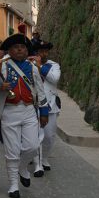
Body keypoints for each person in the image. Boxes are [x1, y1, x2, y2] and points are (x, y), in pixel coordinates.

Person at [0, 33, 49, 198]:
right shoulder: (2, 66)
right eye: (16, 47)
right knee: (12, 150)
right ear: (10, 50)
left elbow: (41, 93)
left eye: (23, 47)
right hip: (9, 111)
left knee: (32, 146)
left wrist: (43, 113)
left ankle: (22, 168)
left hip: (29, 111)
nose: (20, 50)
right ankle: (14, 184)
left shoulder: (33, 68)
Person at [32, 41, 61, 177]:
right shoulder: (29, 64)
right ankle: (37, 164)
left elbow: (54, 79)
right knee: (38, 135)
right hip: (35, 105)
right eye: (40, 51)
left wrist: (40, 67)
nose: (42, 54)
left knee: (49, 136)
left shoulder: (54, 66)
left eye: (45, 51)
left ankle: (44, 158)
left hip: (51, 105)